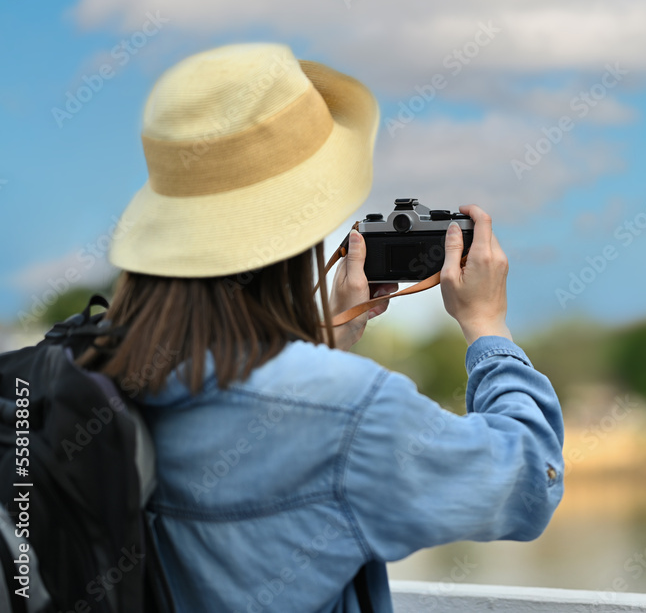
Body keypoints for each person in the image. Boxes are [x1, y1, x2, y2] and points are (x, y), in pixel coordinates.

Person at [84, 43, 564, 612]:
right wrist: (487, 326)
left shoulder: (82, 367)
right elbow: (530, 482)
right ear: (306, 221)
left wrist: (323, 339)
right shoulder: (350, 412)